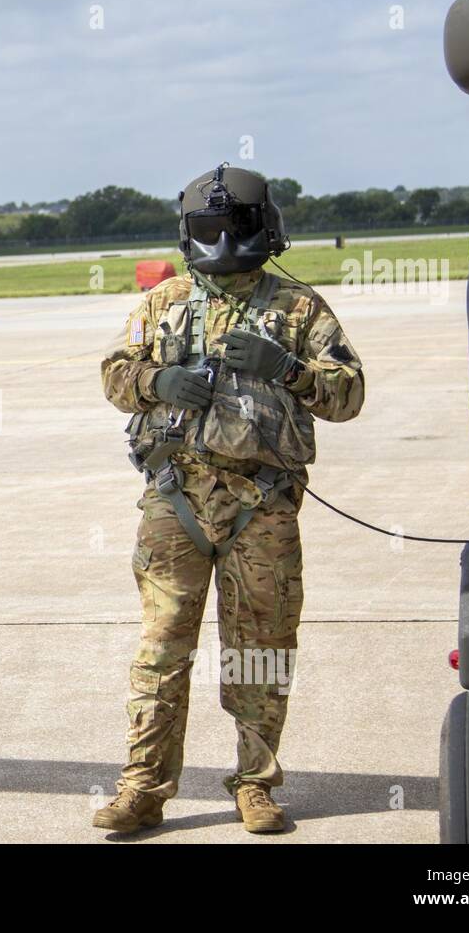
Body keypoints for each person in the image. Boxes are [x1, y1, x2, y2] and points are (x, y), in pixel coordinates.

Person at [93, 164, 365, 834]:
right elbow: (115, 376)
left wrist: (289, 368)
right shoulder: (163, 303)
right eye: (208, 229)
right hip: (176, 497)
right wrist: (161, 379)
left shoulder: (299, 308)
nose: (220, 242)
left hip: (261, 504)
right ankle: (143, 789)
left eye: (230, 227)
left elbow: (349, 395)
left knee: (261, 648)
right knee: (162, 646)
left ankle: (255, 784)